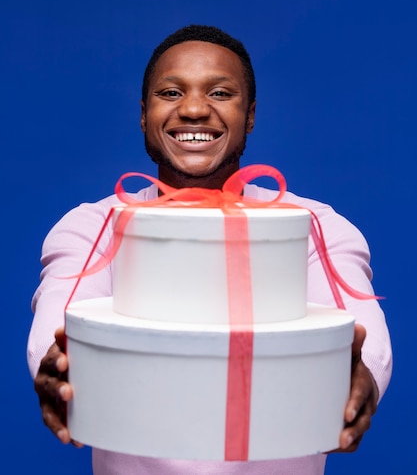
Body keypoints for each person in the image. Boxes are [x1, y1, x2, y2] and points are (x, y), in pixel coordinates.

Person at [28, 24, 392, 475]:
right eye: (170, 92)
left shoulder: (314, 227)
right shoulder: (90, 227)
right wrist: (59, 368)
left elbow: (363, 332)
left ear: (251, 114)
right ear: (144, 114)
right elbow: (60, 322)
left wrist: (363, 381)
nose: (195, 109)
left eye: (220, 93)